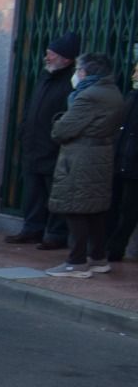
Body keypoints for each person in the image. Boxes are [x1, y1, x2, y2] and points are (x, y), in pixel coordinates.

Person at [45, 52, 123, 277]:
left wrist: (58, 121)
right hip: (100, 155)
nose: (76, 74)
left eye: (78, 70)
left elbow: (63, 130)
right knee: (94, 210)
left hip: (81, 157)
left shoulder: (89, 96)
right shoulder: (112, 91)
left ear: (86, 72)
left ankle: (76, 261)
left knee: (76, 207)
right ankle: (98, 257)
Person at [6, 33, 79, 247]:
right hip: (33, 145)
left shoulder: (71, 83)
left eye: (51, 55)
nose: (46, 58)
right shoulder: (45, 77)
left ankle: (56, 234)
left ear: (66, 59)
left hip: (54, 147)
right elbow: (32, 106)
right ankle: (32, 228)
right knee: (33, 192)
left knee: (54, 193)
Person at [106, 60, 138, 262]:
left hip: (134, 165)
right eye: (135, 70)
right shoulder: (131, 96)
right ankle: (107, 246)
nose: (134, 75)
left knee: (129, 210)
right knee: (113, 205)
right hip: (121, 161)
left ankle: (116, 248)